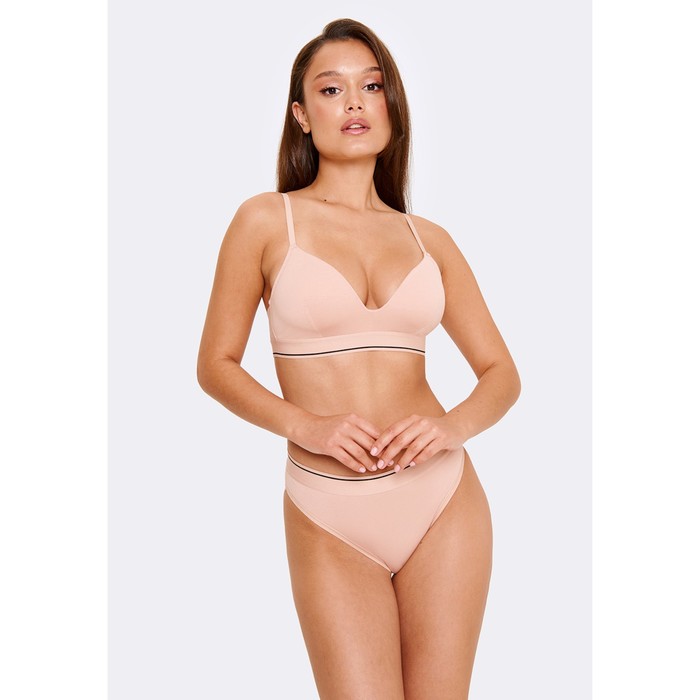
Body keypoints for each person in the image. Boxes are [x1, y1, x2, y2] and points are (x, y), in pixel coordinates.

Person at [197, 17, 520, 699]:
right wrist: (305, 425)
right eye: (331, 89)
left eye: (371, 86)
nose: (354, 103)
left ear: (392, 106)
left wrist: (452, 427)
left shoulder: (429, 239)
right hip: (329, 507)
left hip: (442, 498)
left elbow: (501, 373)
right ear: (301, 115)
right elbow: (216, 364)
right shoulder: (266, 220)